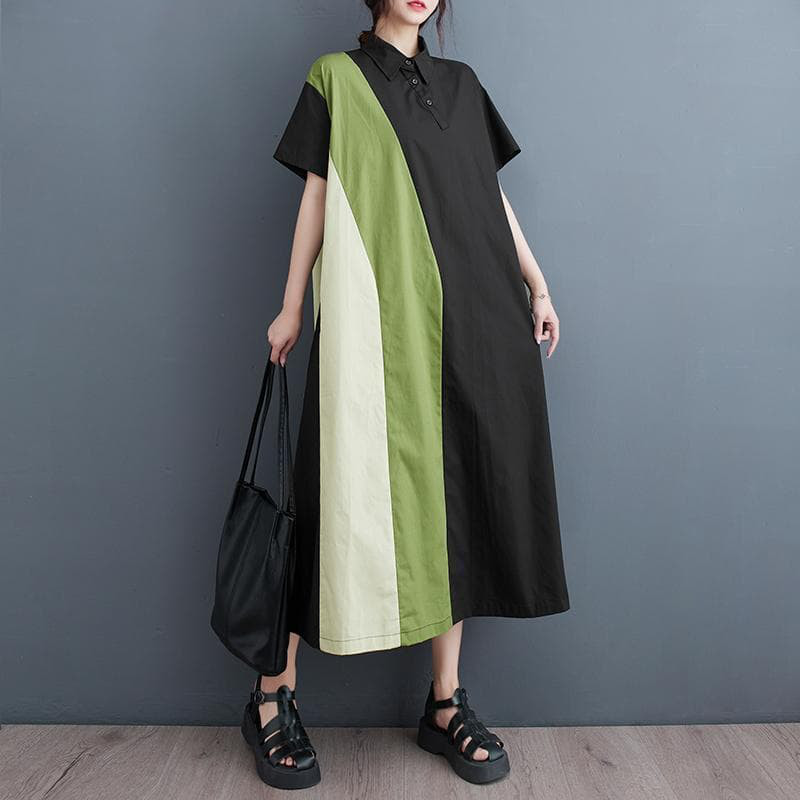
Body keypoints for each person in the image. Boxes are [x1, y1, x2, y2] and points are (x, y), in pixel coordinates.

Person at [243, 0, 570, 789]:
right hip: (377, 326)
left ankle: (445, 703)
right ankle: (272, 695)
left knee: (460, 494)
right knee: (328, 493)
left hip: (478, 319)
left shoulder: (463, 84)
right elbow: (317, 192)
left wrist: (536, 281)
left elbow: (489, 195)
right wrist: (291, 304)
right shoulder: (336, 77)